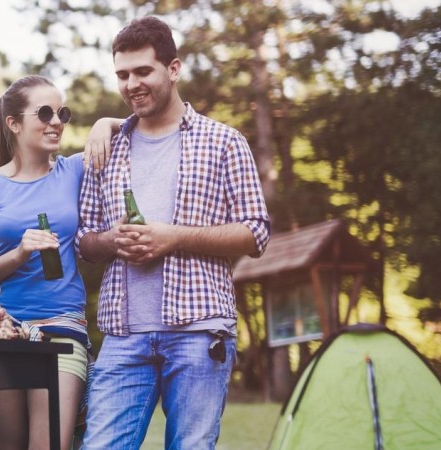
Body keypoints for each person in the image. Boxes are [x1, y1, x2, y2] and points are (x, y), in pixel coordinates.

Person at [76, 16, 271, 450]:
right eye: (122, 74)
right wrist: (112, 241)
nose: (131, 84)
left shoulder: (224, 142)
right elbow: (85, 241)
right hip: (123, 334)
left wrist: (174, 237)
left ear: (173, 68)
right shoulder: (107, 146)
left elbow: (256, 233)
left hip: (200, 332)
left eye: (143, 71)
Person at [0, 75, 90, 450]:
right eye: (44, 112)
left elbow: (133, 128)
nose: (56, 121)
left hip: (61, 326)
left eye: (62, 112)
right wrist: (20, 253)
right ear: (13, 123)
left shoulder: (74, 171)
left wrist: (105, 123)